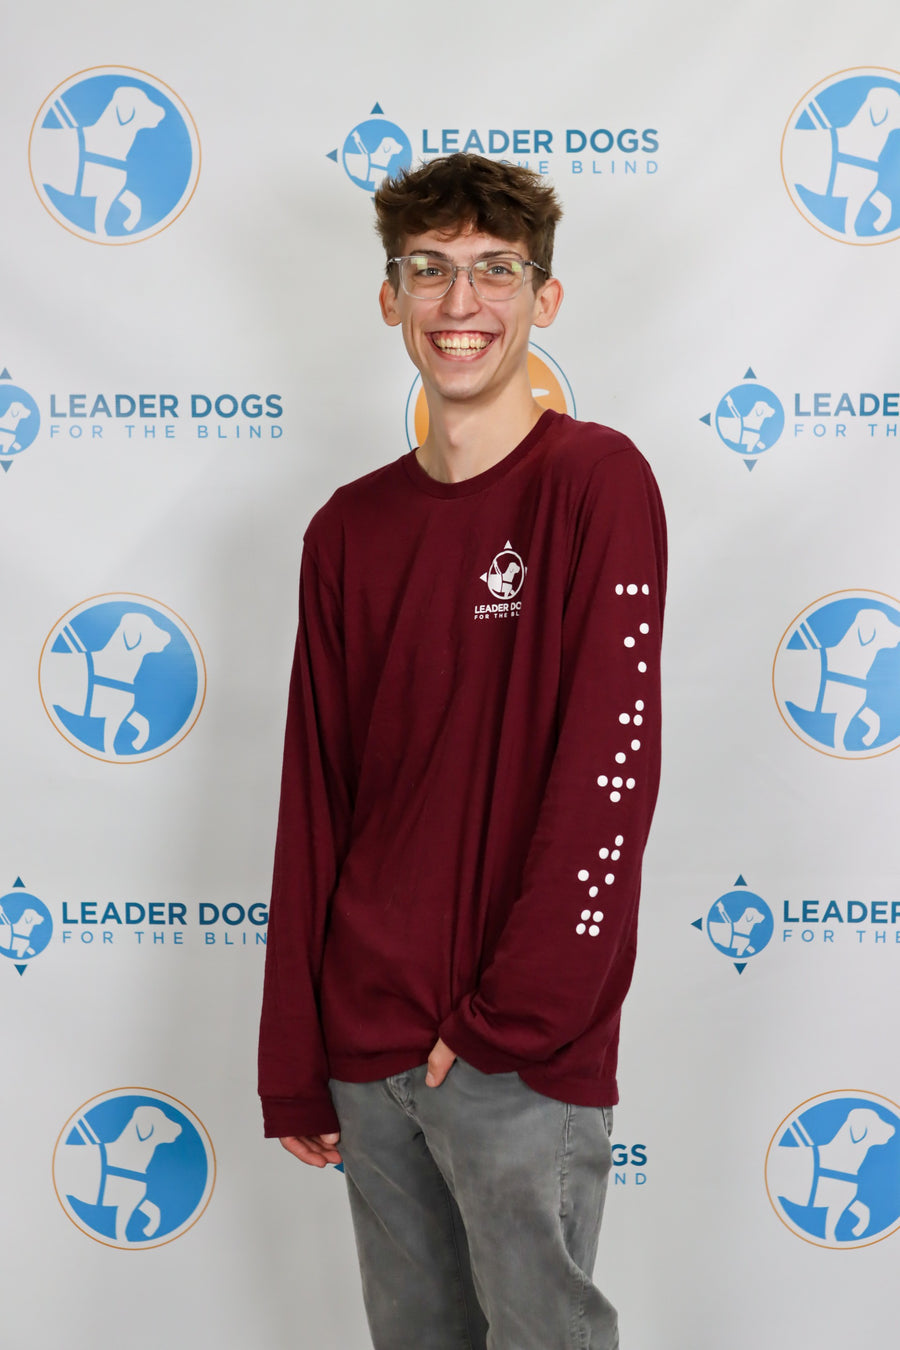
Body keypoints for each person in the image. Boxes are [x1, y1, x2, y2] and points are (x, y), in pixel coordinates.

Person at [258, 152, 666, 1350]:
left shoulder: (596, 483)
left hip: (515, 1055)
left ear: (545, 298)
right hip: (365, 1043)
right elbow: (315, 796)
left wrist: (514, 1021)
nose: (460, 304)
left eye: (494, 271)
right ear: (390, 297)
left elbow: (610, 775)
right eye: (429, 271)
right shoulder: (347, 529)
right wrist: (298, 1055)